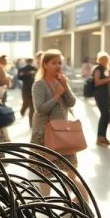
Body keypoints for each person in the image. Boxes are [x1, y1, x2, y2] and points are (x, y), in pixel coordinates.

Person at [31, 49, 88, 202]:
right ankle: (46, 203)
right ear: (45, 65)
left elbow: (72, 102)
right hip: (45, 134)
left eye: (60, 62)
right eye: (54, 63)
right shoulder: (39, 85)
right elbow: (40, 109)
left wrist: (65, 87)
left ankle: (81, 201)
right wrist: (56, 96)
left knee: (71, 171)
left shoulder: (61, 82)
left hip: (63, 134)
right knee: (45, 172)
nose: (58, 66)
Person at [92, 51, 110, 146]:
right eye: (102, 59)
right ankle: (100, 137)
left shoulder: (105, 69)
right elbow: (97, 82)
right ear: (99, 60)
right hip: (100, 95)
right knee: (104, 115)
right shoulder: (98, 69)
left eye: (106, 59)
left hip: (106, 95)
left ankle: (103, 137)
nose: (104, 61)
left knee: (106, 116)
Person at [17, 57, 38, 125]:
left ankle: (31, 122)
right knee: (26, 103)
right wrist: (29, 74)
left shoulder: (34, 69)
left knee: (31, 105)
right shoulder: (33, 69)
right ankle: (22, 112)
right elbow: (19, 77)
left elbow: (19, 77)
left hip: (29, 88)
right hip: (27, 88)